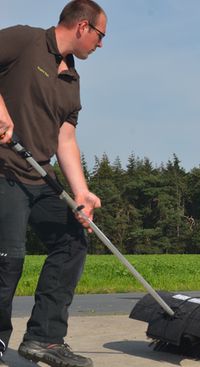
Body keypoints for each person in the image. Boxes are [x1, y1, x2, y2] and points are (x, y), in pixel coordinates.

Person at [0, 1, 106, 366]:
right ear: (82, 26)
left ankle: (44, 339)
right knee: (8, 261)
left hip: (39, 175)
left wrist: (81, 192)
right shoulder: (24, 40)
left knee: (72, 242)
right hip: (4, 170)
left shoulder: (71, 80)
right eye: (100, 35)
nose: (101, 44)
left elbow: (66, 140)